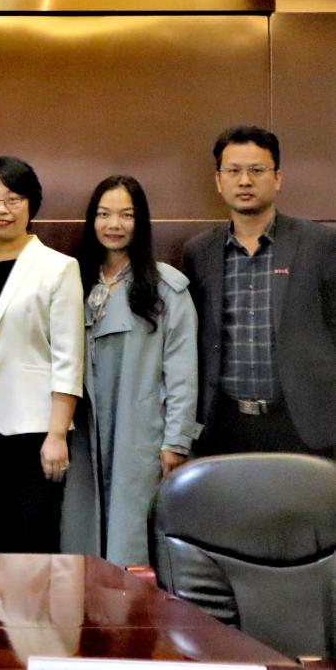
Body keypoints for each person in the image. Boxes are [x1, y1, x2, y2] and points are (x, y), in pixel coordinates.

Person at [61, 176, 199, 565]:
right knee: (81, 537)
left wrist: (176, 441)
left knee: (132, 540)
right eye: (104, 214)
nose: (114, 225)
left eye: (126, 215)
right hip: (83, 434)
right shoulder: (74, 281)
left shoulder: (166, 288)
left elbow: (182, 370)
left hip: (140, 433)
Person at [183, 126, 336, 457]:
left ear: (277, 178)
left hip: (303, 425)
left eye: (256, 170)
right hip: (225, 425)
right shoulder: (200, 252)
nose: (245, 181)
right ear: (218, 180)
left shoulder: (320, 244)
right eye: (233, 171)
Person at [0, 155, 83, 553]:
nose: (2, 210)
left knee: (30, 544)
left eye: (13, 199)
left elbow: (68, 356)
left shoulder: (58, 268)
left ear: (31, 204)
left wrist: (57, 434)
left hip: (33, 432)